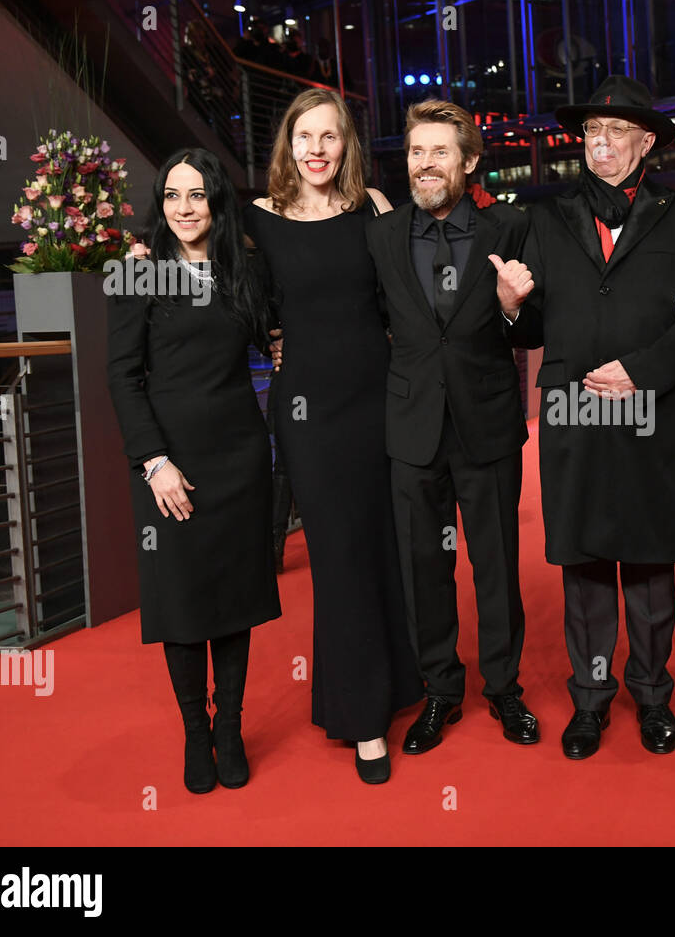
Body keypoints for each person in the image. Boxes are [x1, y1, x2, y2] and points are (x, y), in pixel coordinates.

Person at [509, 75, 675, 759]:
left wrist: (643, 371)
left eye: (615, 133)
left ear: (646, 141)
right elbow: (531, 327)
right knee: (586, 567)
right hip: (572, 415)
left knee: (651, 566)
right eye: (591, 133)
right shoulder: (547, 218)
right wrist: (513, 306)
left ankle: (654, 697)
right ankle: (592, 700)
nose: (600, 145)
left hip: (647, 411)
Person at [243, 88, 423, 784]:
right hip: (309, 412)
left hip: (378, 400)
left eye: (331, 136)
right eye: (304, 137)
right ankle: (361, 718)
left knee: (383, 545)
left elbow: (406, 303)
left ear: (346, 145)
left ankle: (398, 680)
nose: (317, 149)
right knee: (339, 556)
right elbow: (229, 289)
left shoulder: (373, 209)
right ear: (286, 145)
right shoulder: (257, 218)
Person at [364, 100, 539, 753]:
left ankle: (504, 689)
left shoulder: (513, 228)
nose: (425, 163)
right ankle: (440, 690)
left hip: (487, 423)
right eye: (415, 152)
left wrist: (513, 310)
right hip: (411, 428)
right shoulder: (380, 238)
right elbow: (368, 322)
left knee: (496, 566)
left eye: (439, 152)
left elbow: (539, 321)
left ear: (468, 161)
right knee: (423, 568)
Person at [106, 147, 280, 794]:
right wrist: (154, 462)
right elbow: (122, 377)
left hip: (239, 456)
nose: (184, 208)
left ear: (216, 202)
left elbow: (276, 334)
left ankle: (229, 728)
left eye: (197, 195)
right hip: (167, 466)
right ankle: (194, 732)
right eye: (172, 196)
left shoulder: (244, 269)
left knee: (233, 601)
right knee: (182, 602)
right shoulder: (137, 273)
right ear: (161, 204)